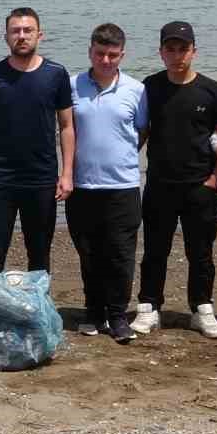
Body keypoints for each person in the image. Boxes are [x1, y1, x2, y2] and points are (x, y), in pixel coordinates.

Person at [135, 21, 217, 340]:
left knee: (201, 251)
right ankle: (149, 306)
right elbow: (141, 132)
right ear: (161, 52)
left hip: (200, 185)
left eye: (183, 48)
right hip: (159, 185)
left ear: (194, 51)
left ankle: (202, 308)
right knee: (155, 249)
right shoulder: (150, 87)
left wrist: (215, 180)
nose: (177, 54)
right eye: (171, 48)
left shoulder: (213, 91)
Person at [0, 8, 75, 279]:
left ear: (40, 35)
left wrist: (67, 173)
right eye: (16, 31)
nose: (22, 36)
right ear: (6, 37)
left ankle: (38, 315)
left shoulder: (56, 74)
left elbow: (66, 126)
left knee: (39, 254)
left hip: (41, 178)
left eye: (28, 31)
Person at [66, 24, 149, 342]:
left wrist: (119, 155)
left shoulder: (136, 90)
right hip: (82, 186)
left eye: (112, 55)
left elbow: (141, 131)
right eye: (100, 53)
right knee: (88, 253)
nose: (105, 60)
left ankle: (117, 316)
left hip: (122, 186)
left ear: (122, 55)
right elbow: (65, 129)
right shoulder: (72, 86)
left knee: (120, 254)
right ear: (90, 52)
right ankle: (93, 311)